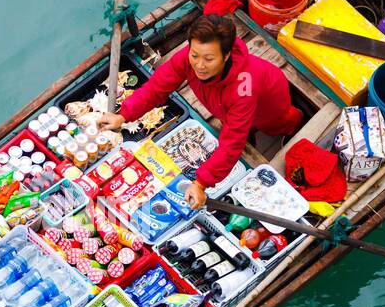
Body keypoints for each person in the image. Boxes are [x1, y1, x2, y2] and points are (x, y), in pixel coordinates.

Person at [95, 11, 303, 209]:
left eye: (209, 59)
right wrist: (123, 115)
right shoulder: (188, 58)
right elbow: (157, 87)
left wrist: (202, 182)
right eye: (195, 55)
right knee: (233, 123)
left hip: (269, 101)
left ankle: (292, 128)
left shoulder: (243, 89)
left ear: (227, 55)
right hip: (222, 105)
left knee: (280, 123)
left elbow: (232, 145)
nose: (199, 65)